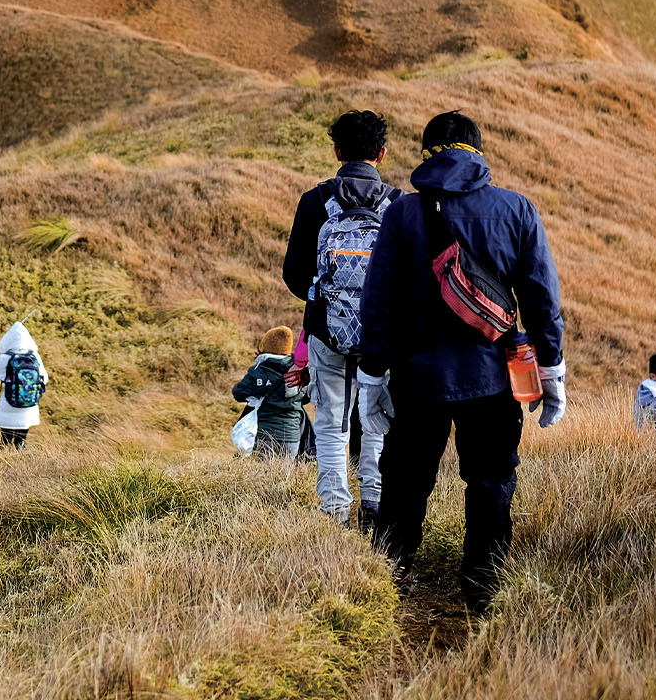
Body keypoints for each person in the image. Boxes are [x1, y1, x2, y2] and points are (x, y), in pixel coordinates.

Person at [356, 110, 566, 613]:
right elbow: (542, 299)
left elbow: (377, 299)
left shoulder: (404, 213)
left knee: (405, 478)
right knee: (491, 479)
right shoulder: (516, 210)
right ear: (479, 152)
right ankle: (481, 582)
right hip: (493, 378)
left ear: (427, 153)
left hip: (416, 378)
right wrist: (551, 369)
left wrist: (373, 375)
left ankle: (392, 572)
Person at [282, 109, 401, 530]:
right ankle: (374, 505)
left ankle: (334, 511)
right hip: (382, 335)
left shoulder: (315, 201)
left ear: (336, 150)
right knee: (376, 421)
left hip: (325, 332)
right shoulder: (399, 205)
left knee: (332, 424)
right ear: (382, 154)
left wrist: (327, 303)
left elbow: (294, 275)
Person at [232, 326, 307, 457]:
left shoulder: (258, 371)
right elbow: (307, 397)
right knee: (284, 476)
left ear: (266, 346)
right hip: (291, 437)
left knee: (262, 475)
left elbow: (238, 393)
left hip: (264, 436)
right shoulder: (299, 372)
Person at [0, 321, 47, 448]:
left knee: (5, 443)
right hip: (29, 406)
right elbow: (45, 379)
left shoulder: (5, 359)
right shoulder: (35, 357)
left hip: (8, 404)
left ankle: (6, 460)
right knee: (21, 443)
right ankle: (20, 461)